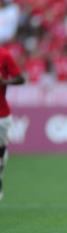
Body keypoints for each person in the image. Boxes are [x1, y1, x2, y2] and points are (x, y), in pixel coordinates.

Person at [0, 47, 25, 200]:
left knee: (1, 151)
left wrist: (4, 81)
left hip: (1, 115)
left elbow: (20, 78)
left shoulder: (4, 55)